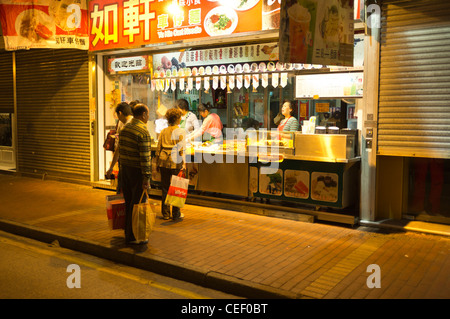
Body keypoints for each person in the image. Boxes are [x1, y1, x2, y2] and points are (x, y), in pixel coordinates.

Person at [119, 103, 152, 244]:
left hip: (125, 169)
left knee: (128, 202)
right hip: (137, 172)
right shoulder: (142, 131)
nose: (148, 117)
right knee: (137, 203)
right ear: (143, 114)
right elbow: (145, 157)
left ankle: (128, 233)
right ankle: (134, 235)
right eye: (148, 115)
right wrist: (147, 177)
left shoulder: (125, 127)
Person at [155, 108, 186, 221]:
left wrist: (158, 162)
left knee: (165, 188)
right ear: (177, 119)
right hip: (175, 161)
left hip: (163, 160)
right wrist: (184, 163)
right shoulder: (180, 131)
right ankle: (176, 214)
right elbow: (182, 149)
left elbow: (158, 148)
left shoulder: (163, 131)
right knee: (176, 188)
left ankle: (166, 213)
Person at [106, 102, 133, 193]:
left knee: (124, 192)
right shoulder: (137, 123)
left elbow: (119, 148)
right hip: (135, 165)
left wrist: (111, 167)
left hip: (127, 164)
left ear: (120, 113)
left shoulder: (126, 127)